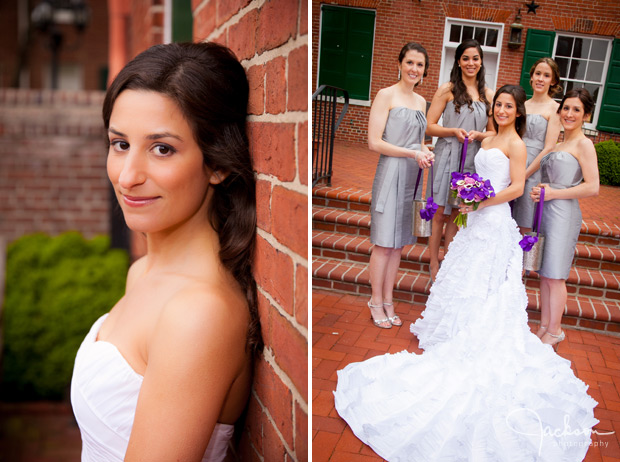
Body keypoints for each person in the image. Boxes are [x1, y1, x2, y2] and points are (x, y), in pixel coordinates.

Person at [334, 85, 597, 461]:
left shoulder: (518, 146)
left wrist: (482, 200)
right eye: (499, 105)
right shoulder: (488, 137)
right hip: (474, 221)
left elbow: (519, 187)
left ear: (518, 112)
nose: (502, 110)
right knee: (465, 278)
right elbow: (470, 159)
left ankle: (483, 336)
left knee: (488, 286)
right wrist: (466, 192)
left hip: (494, 223)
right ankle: (457, 331)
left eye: (509, 106)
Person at [70, 42, 262, 462]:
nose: (128, 177)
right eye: (120, 144)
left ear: (218, 164)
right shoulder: (142, 271)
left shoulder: (198, 314)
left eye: (162, 149)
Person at [366, 42, 434, 328]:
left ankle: (389, 299)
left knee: (398, 246)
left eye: (419, 65)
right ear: (400, 63)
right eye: (409, 63)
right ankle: (375, 301)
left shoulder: (421, 102)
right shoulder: (385, 95)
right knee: (383, 243)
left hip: (411, 175)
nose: (414, 69)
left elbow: (416, 141)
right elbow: (374, 142)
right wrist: (412, 152)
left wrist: (425, 149)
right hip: (392, 171)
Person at [531, 88, 600, 349]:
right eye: (566, 108)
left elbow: (592, 187)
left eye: (576, 110)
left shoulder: (584, 144)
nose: (569, 114)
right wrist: (541, 193)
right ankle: (544, 326)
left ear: (586, 115)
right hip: (546, 210)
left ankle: (556, 330)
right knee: (545, 273)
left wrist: (554, 193)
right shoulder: (559, 144)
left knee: (556, 274)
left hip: (564, 213)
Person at [426, 39, 495, 281]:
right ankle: (433, 264)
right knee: (439, 213)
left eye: (475, 58)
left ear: (481, 61)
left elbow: (494, 132)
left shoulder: (488, 94)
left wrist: (479, 135)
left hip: (472, 159)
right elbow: (430, 126)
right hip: (447, 155)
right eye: (466, 58)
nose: (470, 63)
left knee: (458, 213)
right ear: (458, 61)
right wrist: (453, 131)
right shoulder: (447, 89)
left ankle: (449, 264)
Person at [512, 58, 562, 246]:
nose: (541, 79)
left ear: (553, 81)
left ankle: (522, 271)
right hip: (515, 162)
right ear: (531, 77)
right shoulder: (522, 105)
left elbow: (549, 147)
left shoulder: (555, 109)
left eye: (546, 75)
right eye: (538, 74)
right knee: (507, 219)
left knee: (525, 222)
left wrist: (524, 175)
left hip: (533, 170)